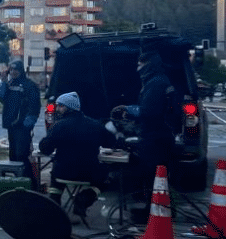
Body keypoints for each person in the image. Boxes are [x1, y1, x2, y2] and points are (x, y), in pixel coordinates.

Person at [38, 92, 119, 224]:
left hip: (63, 172)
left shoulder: (59, 126)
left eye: (60, 106)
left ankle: (54, 205)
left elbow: (45, 149)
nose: (57, 109)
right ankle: (85, 198)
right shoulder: (95, 125)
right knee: (106, 178)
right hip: (89, 173)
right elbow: (110, 142)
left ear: (68, 108)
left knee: (56, 176)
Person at [130, 50, 177, 194]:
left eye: (140, 64)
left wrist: (131, 110)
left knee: (153, 176)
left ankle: (154, 211)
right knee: (158, 177)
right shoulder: (159, 80)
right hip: (161, 135)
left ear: (148, 65)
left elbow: (149, 111)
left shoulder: (155, 84)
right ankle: (154, 208)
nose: (138, 68)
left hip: (155, 137)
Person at [0, 60, 40, 181]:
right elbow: (2, 98)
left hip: (22, 126)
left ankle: (29, 183)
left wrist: (29, 122)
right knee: (13, 156)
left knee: (22, 156)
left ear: (21, 71)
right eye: (11, 70)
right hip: (11, 125)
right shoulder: (9, 84)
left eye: (16, 70)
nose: (14, 72)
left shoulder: (29, 85)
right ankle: (18, 182)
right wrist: (3, 81)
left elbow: (35, 106)